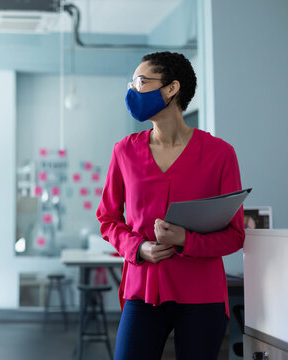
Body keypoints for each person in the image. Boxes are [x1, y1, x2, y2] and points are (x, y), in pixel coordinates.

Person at [96, 51, 244, 360]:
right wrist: (138, 248)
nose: (132, 91)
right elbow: (108, 219)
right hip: (143, 289)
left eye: (140, 82)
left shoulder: (220, 154)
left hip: (202, 294)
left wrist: (184, 240)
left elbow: (235, 235)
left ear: (171, 88)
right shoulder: (124, 151)